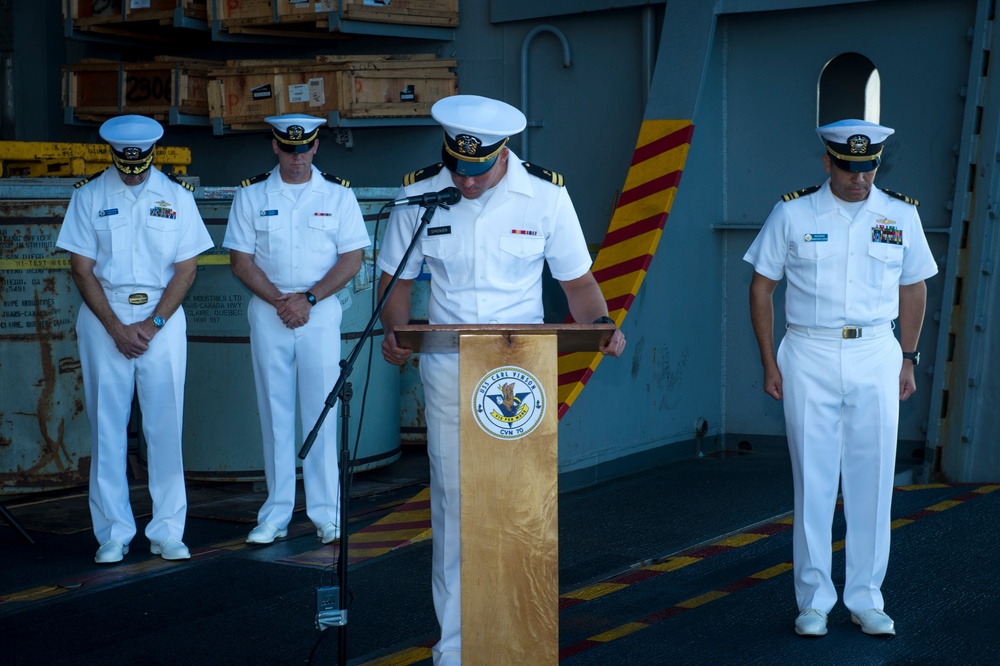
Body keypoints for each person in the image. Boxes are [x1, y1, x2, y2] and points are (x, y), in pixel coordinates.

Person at [376, 94, 627, 666]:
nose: (464, 184)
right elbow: (394, 281)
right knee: (454, 504)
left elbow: (579, 284)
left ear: (503, 152)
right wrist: (397, 331)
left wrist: (600, 324)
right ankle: (456, 647)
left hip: (522, 369)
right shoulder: (420, 193)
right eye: (457, 169)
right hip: (446, 365)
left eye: (477, 171)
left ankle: (522, 639)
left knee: (521, 502)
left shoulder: (545, 194)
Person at [744, 119, 938, 638]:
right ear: (828, 162)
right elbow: (761, 288)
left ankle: (866, 598)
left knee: (872, 480)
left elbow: (914, 289)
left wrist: (908, 358)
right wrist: (770, 363)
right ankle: (813, 601)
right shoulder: (793, 212)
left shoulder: (899, 215)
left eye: (868, 167)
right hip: (808, 351)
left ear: (878, 164)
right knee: (814, 480)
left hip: (877, 350)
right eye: (850, 168)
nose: (860, 178)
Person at [56, 114, 214, 564]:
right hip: (106, 319)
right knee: (107, 428)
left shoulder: (176, 197)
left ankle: (167, 531)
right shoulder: (88, 196)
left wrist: (153, 325)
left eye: (140, 164)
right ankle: (113, 532)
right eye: (126, 166)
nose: (133, 172)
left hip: (161, 321)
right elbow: (81, 269)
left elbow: (187, 269)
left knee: (165, 428)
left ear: (151, 155)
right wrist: (115, 327)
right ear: (113, 157)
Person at [222, 114, 370, 547]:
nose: (297, 157)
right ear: (275, 147)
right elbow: (240, 261)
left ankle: (327, 513)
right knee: (275, 414)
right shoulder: (251, 194)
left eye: (304, 148)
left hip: (319, 312)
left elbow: (351, 259)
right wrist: (281, 302)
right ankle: (276, 513)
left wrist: (307, 299)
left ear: (316, 146)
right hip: (270, 313)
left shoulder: (339, 194)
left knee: (321, 412)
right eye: (289, 149)